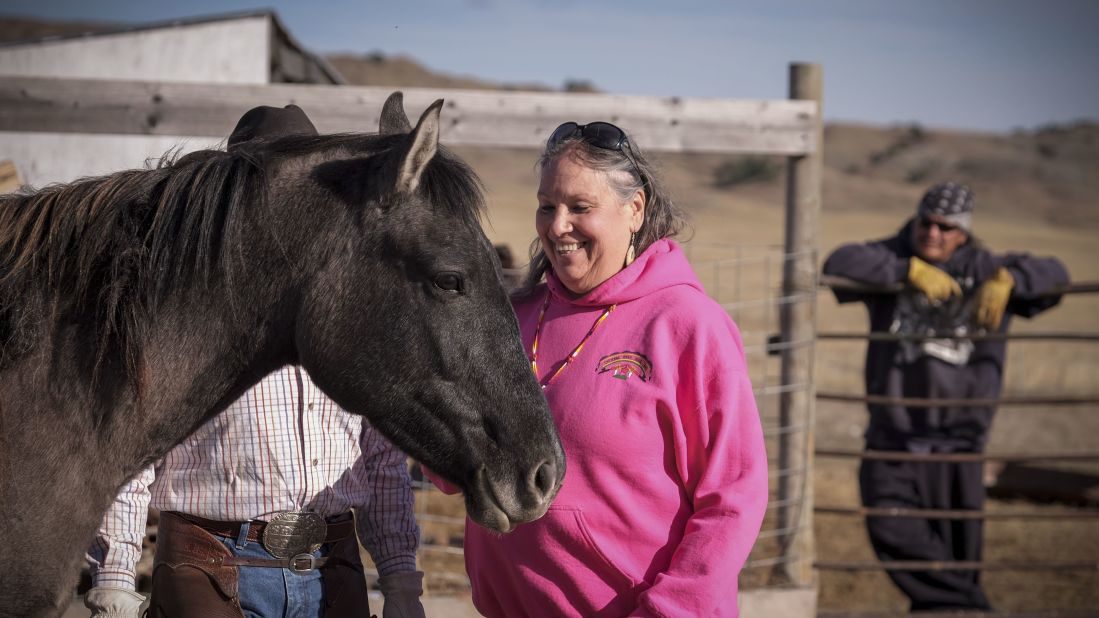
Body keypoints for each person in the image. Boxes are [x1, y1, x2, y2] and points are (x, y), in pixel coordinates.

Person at [83, 106, 426, 618]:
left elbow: (378, 457)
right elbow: (132, 450)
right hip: (208, 564)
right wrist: (114, 574)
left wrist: (400, 577)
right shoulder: (182, 298)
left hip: (331, 564)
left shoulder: (355, 311)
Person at [430, 121, 769, 617]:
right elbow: (452, 471)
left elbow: (733, 497)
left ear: (634, 210)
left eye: (580, 207)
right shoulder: (512, 317)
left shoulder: (686, 325)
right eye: (547, 206)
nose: (557, 225)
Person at [821, 181, 1070, 612]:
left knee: (957, 555)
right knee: (891, 529)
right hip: (894, 437)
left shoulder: (989, 267)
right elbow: (839, 261)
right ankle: (975, 608)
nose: (932, 234)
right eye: (926, 222)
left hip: (960, 443)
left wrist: (1011, 280)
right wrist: (905, 272)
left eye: (945, 227)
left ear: (965, 233)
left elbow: (1056, 273)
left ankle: (959, 606)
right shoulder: (894, 257)